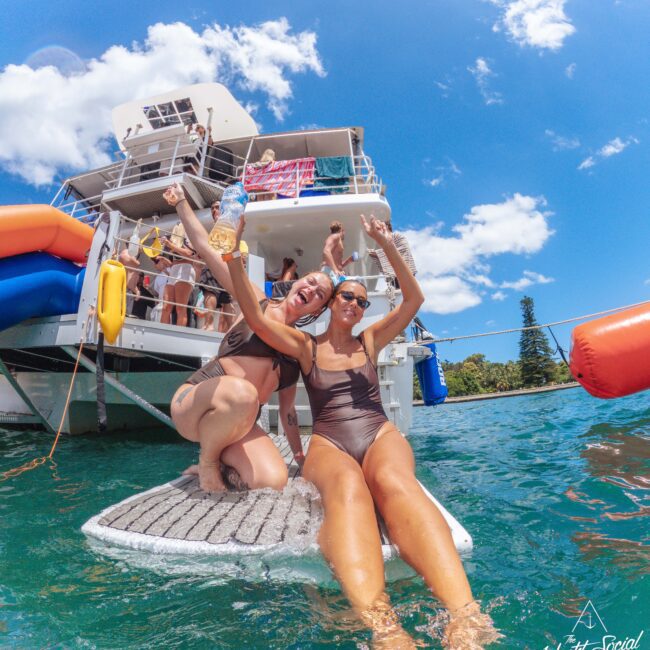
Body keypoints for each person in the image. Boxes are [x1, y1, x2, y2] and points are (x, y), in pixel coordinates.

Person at [224, 213, 500, 648]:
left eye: (361, 300)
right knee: (348, 493)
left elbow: (413, 299)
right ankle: (385, 629)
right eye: (346, 297)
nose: (353, 304)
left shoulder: (371, 341)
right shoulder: (306, 347)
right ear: (331, 303)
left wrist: (387, 245)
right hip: (330, 441)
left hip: (378, 433)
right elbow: (258, 322)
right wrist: (232, 255)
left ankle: (465, 616)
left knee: (393, 482)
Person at [162, 182, 335, 492]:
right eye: (309, 281)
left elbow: (288, 412)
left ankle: (220, 458)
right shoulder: (256, 301)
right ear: (296, 283)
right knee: (245, 395)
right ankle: (208, 464)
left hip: (237, 422)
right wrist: (180, 203)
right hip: (195, 403)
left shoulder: (298, 350)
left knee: (272, 480)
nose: (310, 289)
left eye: (319, 294)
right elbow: (205, 247)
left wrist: (299, 455)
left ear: (318, 308)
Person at [199, 202, 236, 333]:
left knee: (210, 291)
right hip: (224, 264)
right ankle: (232, 328)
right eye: (212, 208)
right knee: (226, 299)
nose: (214, 210)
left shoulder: (223, 224)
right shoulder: (229, 225)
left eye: (217, 207)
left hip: (216, 263)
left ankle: (209, 325)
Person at [160, 223, 196, 327]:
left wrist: (170, 245)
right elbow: (176, 256)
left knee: (180, 308)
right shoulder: (174, 238)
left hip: (185, 269)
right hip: (174, 270)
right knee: (166, 307)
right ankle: (163, 333)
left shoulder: (191, 234)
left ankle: (179, 334)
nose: (178, 225)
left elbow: (189, 254)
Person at [367, 220, 417, 289]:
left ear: (386, 226)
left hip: (406, 273)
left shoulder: (397, 236)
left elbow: (402, 250)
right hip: (394, 278)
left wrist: (377, 253)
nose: (376, 229)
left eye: (378, 226)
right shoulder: (382, 243)